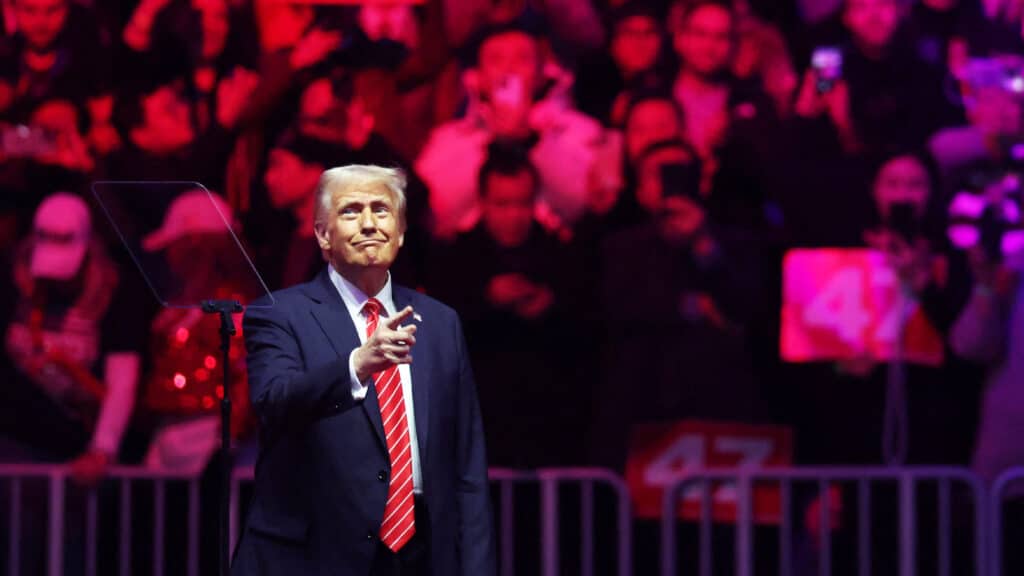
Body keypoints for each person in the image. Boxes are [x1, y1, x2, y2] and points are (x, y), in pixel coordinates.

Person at [232, 165, 494, 576]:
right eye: (351, 211)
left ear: (401, 231)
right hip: (318, 556)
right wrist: (356, 365)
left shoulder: (441, 322)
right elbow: (274, 400)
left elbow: (467, 464)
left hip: (422, 554)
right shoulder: (280, 313)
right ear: (323, 235)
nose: (369, 223)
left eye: (381, 210)